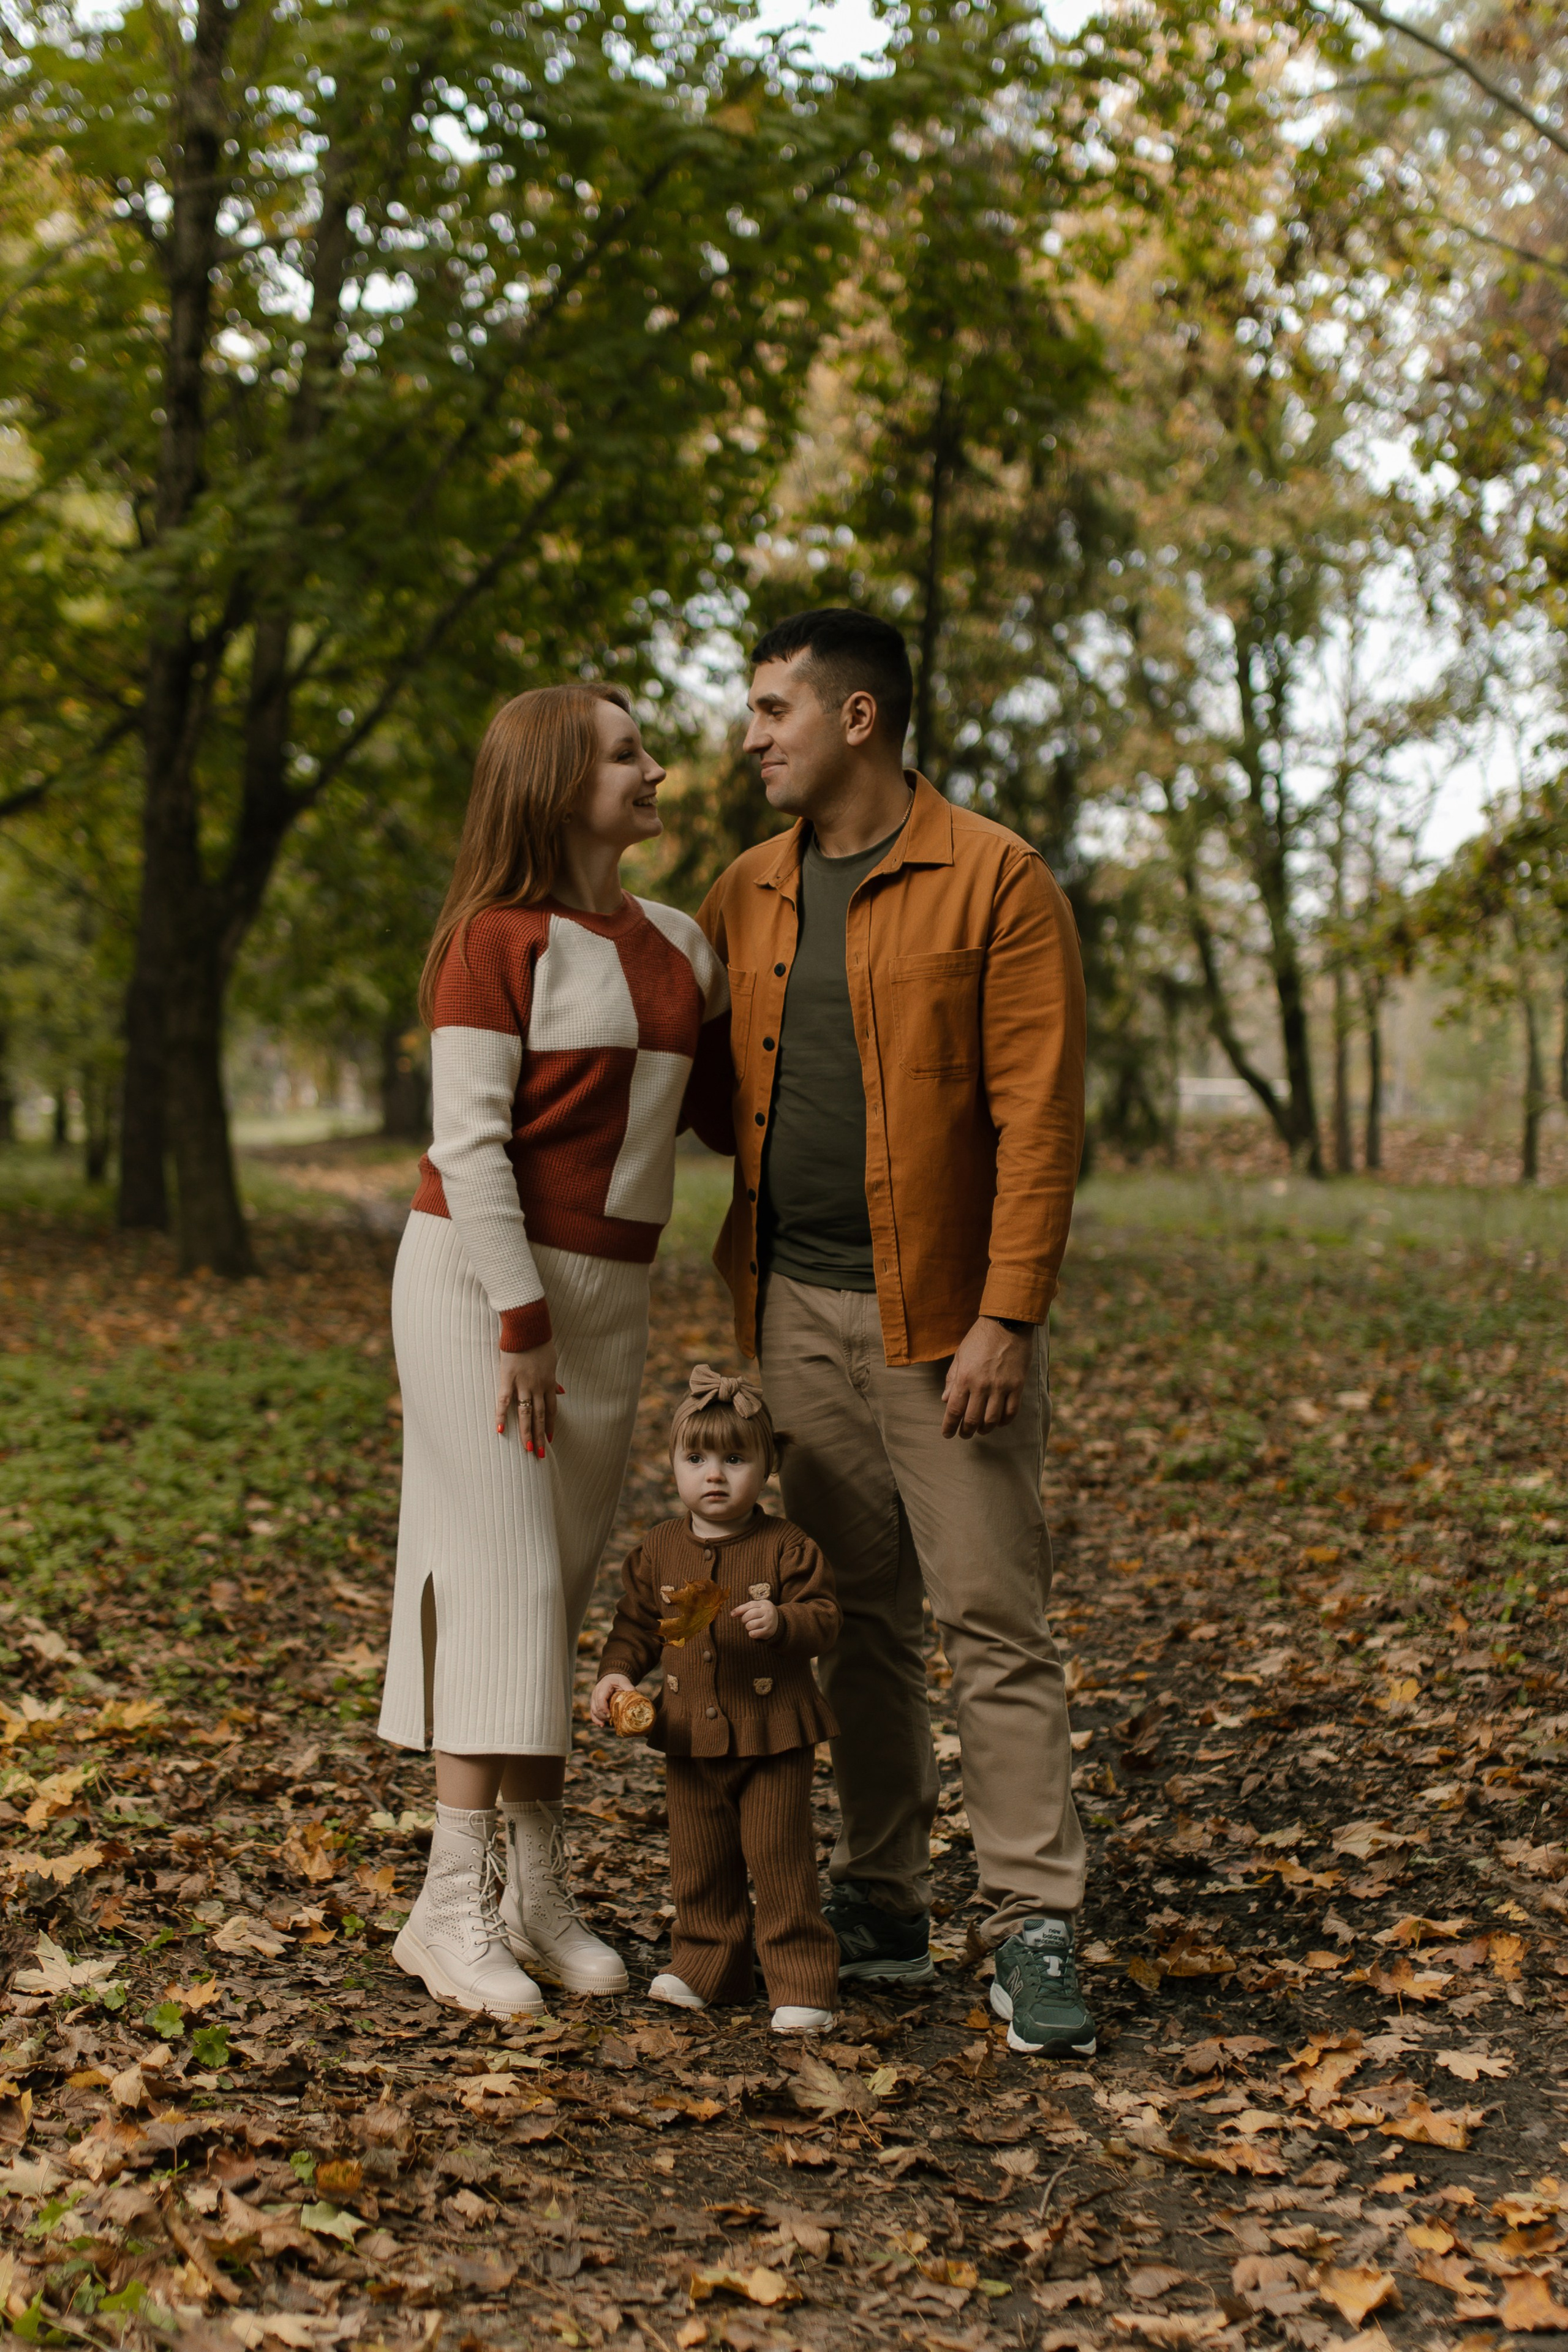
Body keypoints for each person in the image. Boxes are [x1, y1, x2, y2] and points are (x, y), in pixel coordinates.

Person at [695, 608, 1095, 2058]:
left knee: (989, 1613)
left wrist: (1006, 1312)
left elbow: (1036, 1120)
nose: (749, 738)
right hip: (790, 1307)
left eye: (769, 711)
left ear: (855, 718)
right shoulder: (742, 891)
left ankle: (1033, 1917)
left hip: (944, 1322)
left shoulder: (994, 878)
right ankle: (881, 1896)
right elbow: (698, 1091)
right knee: (853, 1614)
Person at [379, 684, 731, 2019]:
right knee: (505, 1582)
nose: (655, 770)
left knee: (560, 1582)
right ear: (550, 783)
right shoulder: (491, 942)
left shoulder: (680, 946)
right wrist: (520, 1321)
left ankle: (531, 1894)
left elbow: (714, 1115)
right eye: (624, 754)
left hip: (609, 1298)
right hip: (481, 1288)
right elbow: (470, 1148)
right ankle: (443, 1908)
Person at [590, 1366, 842, 2033]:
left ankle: (801, 1981)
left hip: (771, 1731)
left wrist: (786, 1623)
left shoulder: (786, 1546)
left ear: (767, 1467)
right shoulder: (661, 1548)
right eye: (696, 1458)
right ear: (673, 1464)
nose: (714, 1475)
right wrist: (616, 1675)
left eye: (735, 1459)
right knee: (698, 1859)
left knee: (778, 1858)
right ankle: (708, 1964)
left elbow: (826, 1615)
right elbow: (637, 1625)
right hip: (688, 1734)